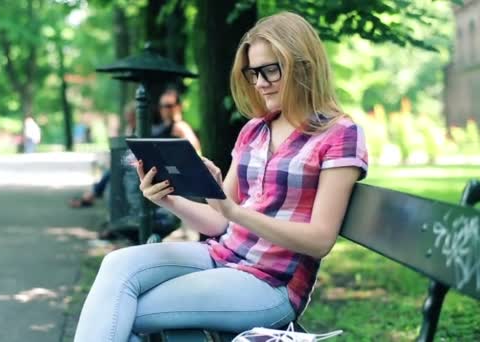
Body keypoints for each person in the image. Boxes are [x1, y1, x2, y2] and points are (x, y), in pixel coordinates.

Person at [73, 11, 368, 342]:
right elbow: (218, 223)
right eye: (253, 72)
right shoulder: (255, 129)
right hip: (222, 254)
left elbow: (320, 239)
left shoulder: (338, 134)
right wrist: (167, 198)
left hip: (270, 284)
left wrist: (235, 211)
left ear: (303, 65)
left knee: (123, 312)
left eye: (271, 69)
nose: (259, 83)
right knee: (117, 266)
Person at [69, 90, 200, 208]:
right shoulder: (161, 126)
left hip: (168, 172)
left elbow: (194, 149)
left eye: (168, 106)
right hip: (154, 169)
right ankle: (115, 215)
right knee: (120, 168)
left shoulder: (179, 126)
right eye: (162, 106)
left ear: (178, 107)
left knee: (121, 168)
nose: (164, 109)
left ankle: (94, 195)